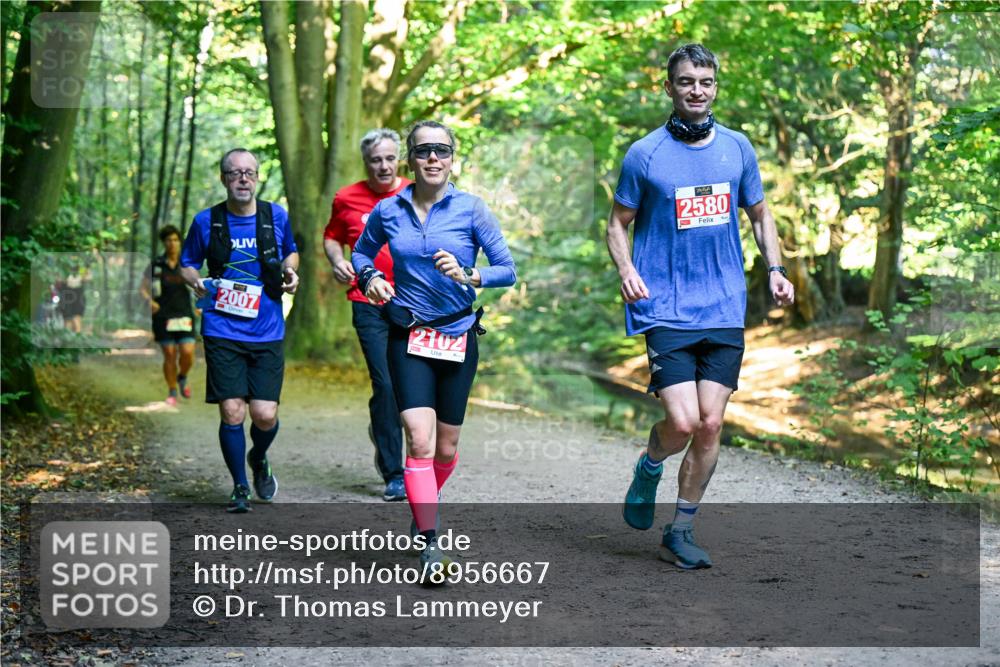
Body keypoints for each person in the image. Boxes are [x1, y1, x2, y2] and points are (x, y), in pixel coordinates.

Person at [606, 44, 794, 569]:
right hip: (664, 305)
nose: (696, 90)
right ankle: (650, 465)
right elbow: (617, 222)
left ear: (715, 87)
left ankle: (681, 528)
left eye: (705, 82)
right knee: (684, 423)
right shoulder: (645, 154)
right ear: (668, 87)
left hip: (724, 305)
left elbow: (760, 215)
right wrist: (626, 269)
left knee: (712, 424)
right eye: (686, 81)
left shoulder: (737, 148)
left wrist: (776, 269)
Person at [352, 121, 516, 578]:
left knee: (446, 448)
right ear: (411, 159)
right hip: (409, 334)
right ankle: (430, 543)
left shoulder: (471, 210)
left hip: (458, 335)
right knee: (418, 440)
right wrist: (371, 278)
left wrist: (470, 275)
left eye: (441, 150)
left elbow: (508, 269)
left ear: (452, 157)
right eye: (423, 151)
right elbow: (361, 255)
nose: (432, 159)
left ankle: (424, 502)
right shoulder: (388, 210)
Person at [180, 148, 300, 513]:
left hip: (267, 330)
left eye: (249, 172)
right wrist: (195, 282)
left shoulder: (275, 216)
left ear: (257, 178)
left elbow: (291, 252)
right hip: (221, 328)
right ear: (224, 179)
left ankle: (258, 457)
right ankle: (240, 487)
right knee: (232, 411)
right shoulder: (206, 221)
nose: (243, 179)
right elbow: (187, 263)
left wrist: (291, 272)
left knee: (264, 415)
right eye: (235, 173)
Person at [324, 128, 412, 502]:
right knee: (388, 383)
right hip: (368, 302)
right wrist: (338, 259)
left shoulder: (416, 192)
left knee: (410, 387)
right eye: (376, 159)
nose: (384, 166)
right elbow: (331, 236)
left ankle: (387, 429)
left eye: (390, 158)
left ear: (399, 160)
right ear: (366, 163)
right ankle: (394, 473)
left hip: (415, 303)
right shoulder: (346, 198)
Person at [141, 225, 196, 406]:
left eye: (175, 240)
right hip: (163, 316)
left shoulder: (187, 263)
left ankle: (182, 376)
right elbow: (143, 288)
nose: (172, 243)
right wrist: (150, 301)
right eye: (168, 240)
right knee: (170, 354)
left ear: (180, 242)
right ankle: (172, 390)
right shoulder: (156, 265)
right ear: (163, 243)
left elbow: (201, 286)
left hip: (184, 314)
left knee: (187, 353)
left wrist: (201, 305)